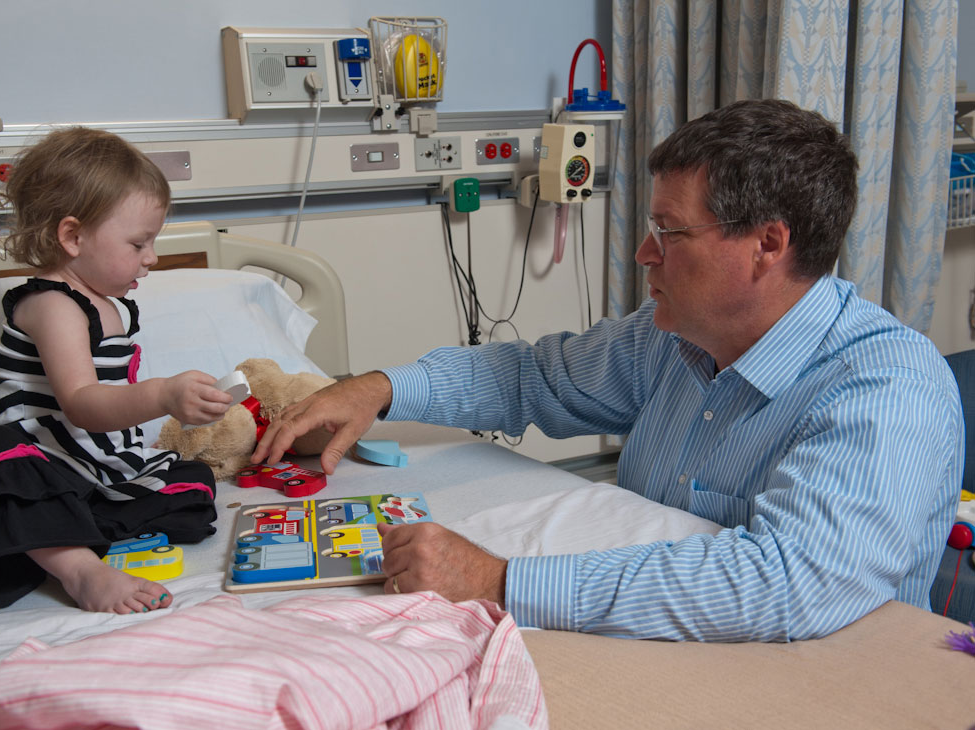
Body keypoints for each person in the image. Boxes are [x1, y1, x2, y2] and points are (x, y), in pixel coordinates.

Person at [253, 99, 964, 641]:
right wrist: (380, 388)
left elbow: (785, 584)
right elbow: (528, 379)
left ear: (767, 244)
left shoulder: (886, 388)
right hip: (672, 648)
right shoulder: (674, 339)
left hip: (828, 676)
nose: (644, 257)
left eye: (671, 233)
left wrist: (498, 580)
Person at [0, 127, 235, 614]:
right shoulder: (53, 305)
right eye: (139, 244)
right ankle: (79, 570)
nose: (151, 258)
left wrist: (185, 405)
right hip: (38, 456)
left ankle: (59, 537)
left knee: (192, 490)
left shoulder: (111, 305)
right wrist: (161, 395)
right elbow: (81, 402)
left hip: (91, 459)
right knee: (6, 469)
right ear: (72, 236)